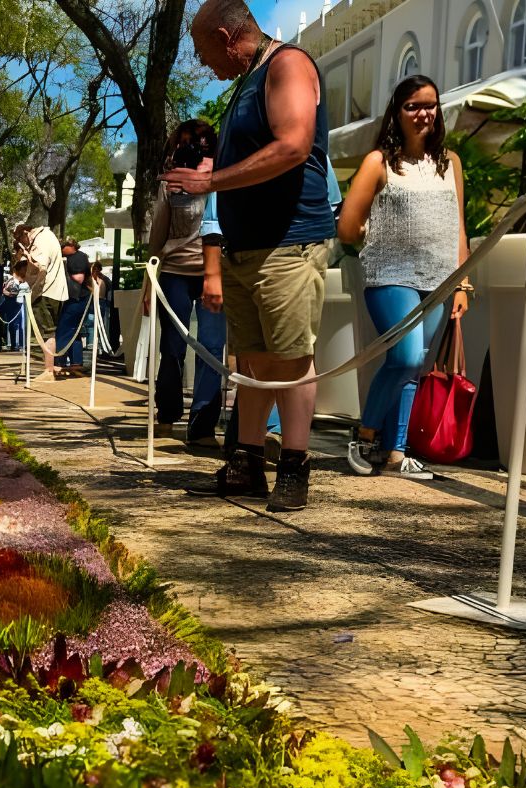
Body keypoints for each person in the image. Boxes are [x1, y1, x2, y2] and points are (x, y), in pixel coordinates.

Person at [166, 0, 336, 512]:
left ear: (224, 35)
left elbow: (293, 146)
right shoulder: (246, 81)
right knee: (254, 361)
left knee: (290, 360)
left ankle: (294, 466)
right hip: (247, 247)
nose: (201, 64)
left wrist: (210, 180)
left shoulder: (287, 65)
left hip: (288, 242)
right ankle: (246, 462)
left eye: (200, 51)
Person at [337, 75, 470, 481]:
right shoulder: (379, 162)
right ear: (396, 112)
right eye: (412, 105)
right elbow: (347, 226)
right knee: (406, 357)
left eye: (429, 104)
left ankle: (396, 453)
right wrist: (375, 239)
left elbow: (457, 228)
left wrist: (463, 283)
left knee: (413, 367)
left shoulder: (450, 162)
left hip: (439, 280)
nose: (423, 113)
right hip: (390, 274)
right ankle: (364, 435)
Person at [145, 119, 228, 443]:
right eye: (187, 141)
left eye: (203, 141)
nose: (195, 146)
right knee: (173, 347)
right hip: (175, 271)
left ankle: (203, 424)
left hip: (217, 275)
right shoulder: (171, 184)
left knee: (211, 348)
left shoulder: (226, 179)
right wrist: (149, 284)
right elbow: (157, 235)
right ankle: (166, 414)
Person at [14, 223, 67, 368]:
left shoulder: (40, 240)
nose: (22, 243)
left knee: (47, 333)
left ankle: (49, 370)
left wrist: (26, 256)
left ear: (25, 232)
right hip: (57, 291)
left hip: (45, 292)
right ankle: (52, 367)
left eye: (20, 239)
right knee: (52, 332)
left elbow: (40, 266)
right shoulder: (49, 236)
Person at [53, 236, 92, 377]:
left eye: (63, 246)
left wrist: (63, 272)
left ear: (71, 246)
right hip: (76, 298)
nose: (61, 249)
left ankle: (59, 362)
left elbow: (79, 278)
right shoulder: (75, 257)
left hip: (77, 299)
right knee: (73, 331)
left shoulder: (77, 258)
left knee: (64, 330)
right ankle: (76, 363)